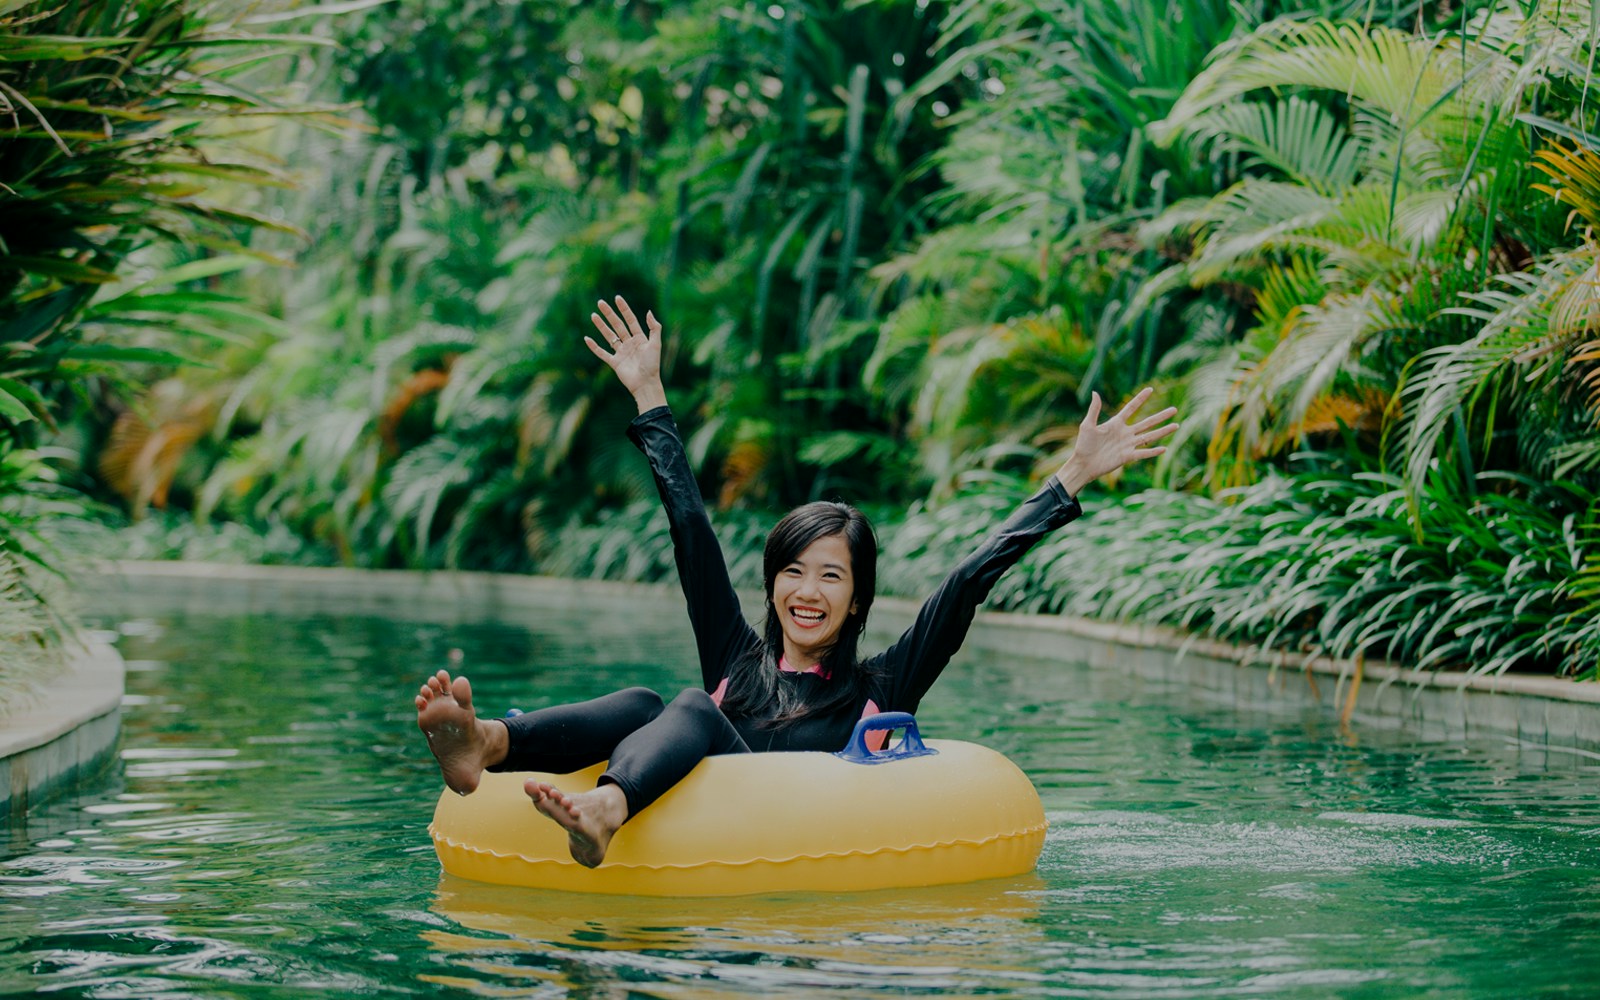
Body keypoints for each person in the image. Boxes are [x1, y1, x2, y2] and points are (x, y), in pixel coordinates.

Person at [416, 295, 1178, 868]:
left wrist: (1072, 475)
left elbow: (967, 582)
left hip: (776, 848)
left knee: (686, 706)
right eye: (793, 571)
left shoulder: (883, 686)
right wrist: (651, 396)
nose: (808, 591)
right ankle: (486, 742)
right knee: (653, 703)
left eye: (831, 575)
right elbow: (691, 531)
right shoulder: (735, 662)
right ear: (774, 584)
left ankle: (608, 808)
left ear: (857, 598)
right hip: (697, 840)